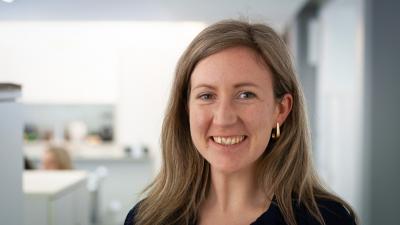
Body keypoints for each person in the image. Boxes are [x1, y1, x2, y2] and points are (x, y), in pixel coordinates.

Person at [124, 20, 358, 225]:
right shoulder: (146, 218)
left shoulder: (327, 220)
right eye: (206, 96)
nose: (224, 118)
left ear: (281, 109)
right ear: (186, 108)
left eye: (245, 94)